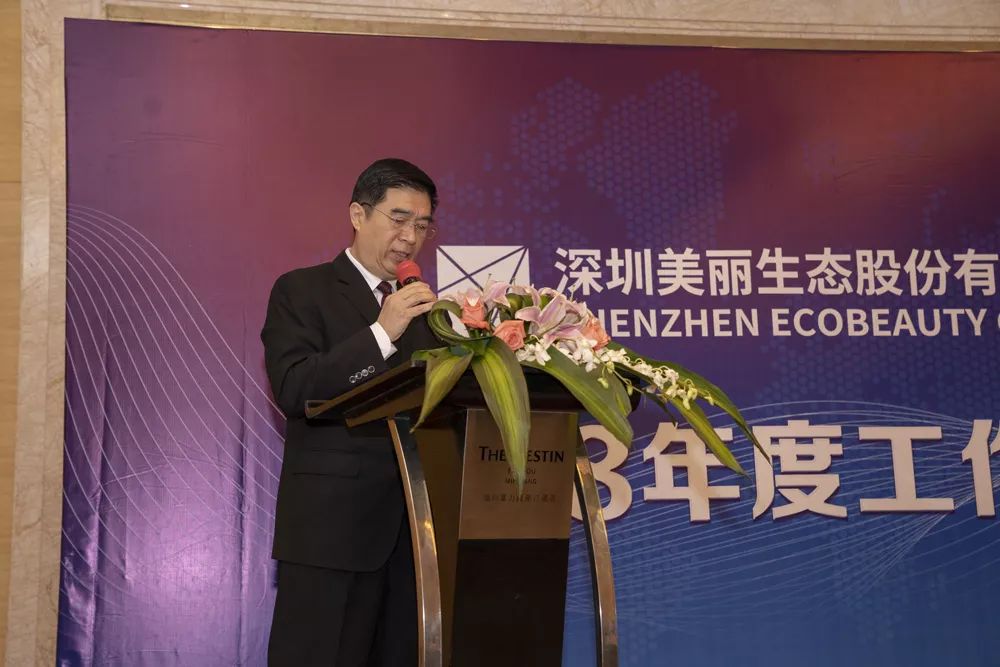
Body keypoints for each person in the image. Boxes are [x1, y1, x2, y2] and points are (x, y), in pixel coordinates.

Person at [261, 158, 440, 666]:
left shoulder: (430, 313)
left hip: (414, 535)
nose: (410, 237)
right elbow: (295, 388)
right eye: (399, 219)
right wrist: (382, 333)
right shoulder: (301, 290)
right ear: (358, 215)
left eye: (422, 225)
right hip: (330, 535)